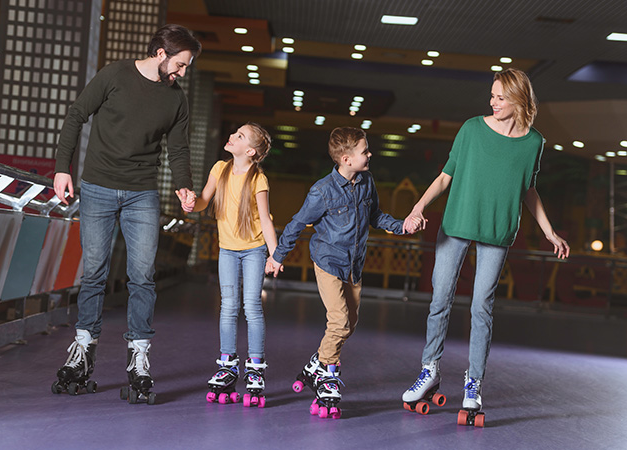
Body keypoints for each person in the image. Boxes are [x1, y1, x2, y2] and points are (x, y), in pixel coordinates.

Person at [400, 68, 570, 424]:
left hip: (497, 231)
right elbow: (447, 175)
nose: (493, 103)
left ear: (519, 100)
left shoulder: (534, 143)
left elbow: (528, 190)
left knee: (481, 308)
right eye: (491, 95)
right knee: (440, 299)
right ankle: (429, 370)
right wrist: (418, 206)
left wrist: (550, 232)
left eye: (501, 98)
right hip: (456, 223)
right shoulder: (471, 129)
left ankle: (473, 383)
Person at [51, 24, 201, 402]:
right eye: (181, 65)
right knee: (95, 273)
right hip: (99, 186)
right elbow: (75, 115)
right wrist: (62, 168)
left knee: (142, 276)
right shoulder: (114, 75)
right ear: (161, 53)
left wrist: (183, 184)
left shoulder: (176, 100)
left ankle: (139, 356)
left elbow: (179, 149)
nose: (183, 73)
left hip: (142, 193)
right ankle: (83, 350)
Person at [265, 127, 419, 419]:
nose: (370, 154)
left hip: (354, 264)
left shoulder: (366, 181)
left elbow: (376, 216)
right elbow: (297, 224)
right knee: (339, 320)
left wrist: (402, 226)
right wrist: (277, 257)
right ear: (347, 159)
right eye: (365, 151)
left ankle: (316, 364)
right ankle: (328, 375)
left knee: (350, 324)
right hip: (328, 262)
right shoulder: (322, 191)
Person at [176, 122, 276, 407]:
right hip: (228, 251)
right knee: (229, 307)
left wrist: (275, 255)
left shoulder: (259, 180)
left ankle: (255, 368)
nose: (232, 136)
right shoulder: (219, 168)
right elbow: (204, 201)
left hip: (254, 250)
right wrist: (189, 202)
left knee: (252, 307)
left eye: (240, 136)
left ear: (250, 151)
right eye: (234, 132)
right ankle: (227, 363)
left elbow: (266, 220)